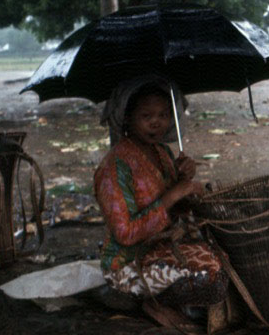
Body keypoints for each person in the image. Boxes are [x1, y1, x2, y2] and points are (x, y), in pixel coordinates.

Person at [94, 74, 228, 316]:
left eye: (164, 115)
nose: (156, 122)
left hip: (164, 245)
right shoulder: (114, 167)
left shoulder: (163, 152)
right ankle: (141, 300)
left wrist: (185, 178)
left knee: (228, 257)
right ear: (127, 118)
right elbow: (125, 233)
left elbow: (178, 206)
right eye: (146, 116)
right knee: (210, 277)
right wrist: (173, 195)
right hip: (128, 263)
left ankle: (179, 301)